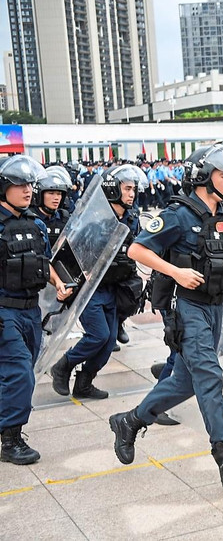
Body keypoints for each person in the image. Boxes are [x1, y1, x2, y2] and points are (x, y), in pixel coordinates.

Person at [108, 145, 223, 488]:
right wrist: (176, 272)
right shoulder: (178, 215)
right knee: (209, 376)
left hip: (214, 307)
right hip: (189, 308)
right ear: (203, 177)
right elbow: (137, 249)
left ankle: (130, 421)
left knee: (183, 383)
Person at [0, 155, 73, 464]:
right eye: (19, 185)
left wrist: (58, 282)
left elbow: (45, 262)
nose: (28, 190)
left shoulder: (36, 224)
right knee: (19, 374)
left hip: (31, 312)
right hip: (5, 311)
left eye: (30, 184)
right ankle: (11, 440)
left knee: (20, 372)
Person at [50, 165, 142, 399]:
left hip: (115, 287)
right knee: (98, 335)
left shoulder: (132, 220)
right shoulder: (96, 218)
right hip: (91, 289)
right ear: (113, 189)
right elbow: (74, 250)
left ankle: (84, 382)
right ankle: (63, 365)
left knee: (109, 342)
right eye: (127, 188)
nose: (131, 194)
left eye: (134, 189)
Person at [32, 165, 72, 246]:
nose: (56, 198)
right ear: (40, 195)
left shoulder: (64, 217)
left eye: (59, 194)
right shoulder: (30, 219)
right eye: (51, 193)